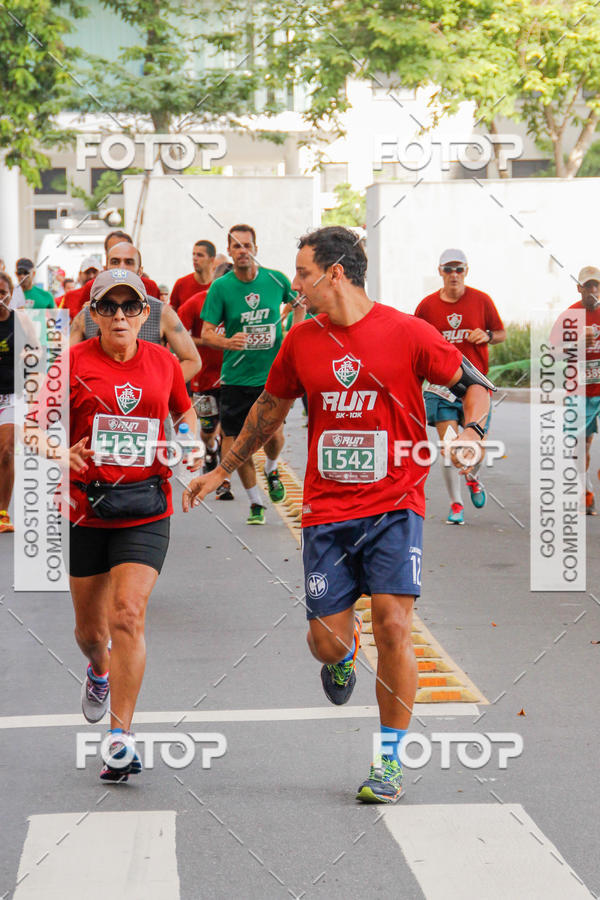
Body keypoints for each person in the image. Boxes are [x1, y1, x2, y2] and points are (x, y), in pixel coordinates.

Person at [184, 226, 493, 802]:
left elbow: (475, 385)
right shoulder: (301, 340)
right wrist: (221, 470)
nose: (294, 285)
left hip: (395, 505)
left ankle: (389, 762)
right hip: (328, 511)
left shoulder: (407, 332)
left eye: (301, 274)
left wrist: (472, 430)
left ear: (334, 273)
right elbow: (268, 411)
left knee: (395, 628)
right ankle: (342, 657)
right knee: (326, 641)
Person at [34, 269, 198, 781]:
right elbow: (37, 428)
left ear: (145, 314)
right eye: (109, 307)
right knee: (90, 632)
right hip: (85, 509)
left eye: (131, 307)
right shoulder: (72, 363)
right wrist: (62, 453)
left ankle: (121, 736)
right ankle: (97, 671)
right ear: (94, 315)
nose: (121, 316)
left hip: (146, 508)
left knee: (127, 614)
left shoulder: (165, 362)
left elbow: (186, 418)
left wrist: (188, 450)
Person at [200, 224, 301, 523]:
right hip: (235, 378)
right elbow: (206, 333)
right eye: (236, 247)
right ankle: (256, 502)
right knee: (238, 441)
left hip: (272, 376)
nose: (242, 251)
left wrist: (295, 334)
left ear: (256, 248)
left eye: (247, 245)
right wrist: (227, 341)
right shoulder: (221, 288)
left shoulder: (276, 279)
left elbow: (299, 304)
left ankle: (271, 468)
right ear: (229, 253)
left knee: (274, 434)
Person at [414, 249, 505, 525]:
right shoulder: (427, 306)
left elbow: (500, 333)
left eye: (459, 269)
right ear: (440, 272)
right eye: (448, 269)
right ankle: (456, 505)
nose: (454, 275)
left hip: (475, 385)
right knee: (448, 445)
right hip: (440, 386)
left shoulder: (482, 301)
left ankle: (473, 478)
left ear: (466, 271)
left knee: (476, 444)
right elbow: (415, 340)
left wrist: (487, 335)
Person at [70, 242, 201, 386]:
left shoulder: (161, 312)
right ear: (106, 269)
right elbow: (64, 367)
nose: (121, 267)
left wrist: (158, 390)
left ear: (140, 271)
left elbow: (192, 360)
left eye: (129, 262)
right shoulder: (87, 315)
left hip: (149, 403)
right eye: (115, 262)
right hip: (101, 403)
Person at [553, 266, 600, 514]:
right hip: (579, 391)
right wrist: (576, 344)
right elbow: (553, 353)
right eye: (588, 286)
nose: (593, 290)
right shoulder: (569, 316)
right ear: (579, 288)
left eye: (597, 285)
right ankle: (586, 490)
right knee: (581, 446)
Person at [179, 262, 232, 473]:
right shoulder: (196, 303)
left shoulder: (238, 304)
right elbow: (178, 336)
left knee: (229, 428)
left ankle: (223, 480)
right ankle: (210, 447)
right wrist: (208, 341)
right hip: (203, 378)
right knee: (208, 429)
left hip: (232, 377)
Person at [63, 231, 161, 321]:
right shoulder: (92, 286)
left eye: (128, 261)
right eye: (115, 260)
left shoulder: (150, 287)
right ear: (106, 260)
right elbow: (79, 324)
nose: (121, 267)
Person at [169, 240, 216, 313]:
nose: (195, 258)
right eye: (194, 254)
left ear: (212, 259)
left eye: (200, 255)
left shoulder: (219, 285)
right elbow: (171, 313)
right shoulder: (181, 284)